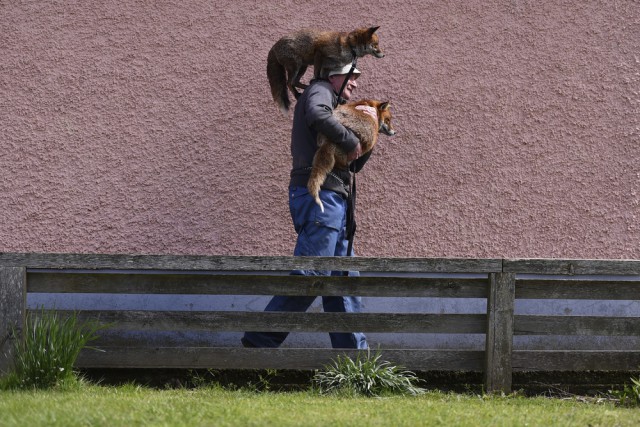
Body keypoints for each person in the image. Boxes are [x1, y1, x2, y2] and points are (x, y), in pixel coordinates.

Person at [241, 63, 375, 349]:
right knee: (312, 272)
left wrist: (370, 128)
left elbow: (355, 163)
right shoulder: (320, 90)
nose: (355, 84)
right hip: (320, 198)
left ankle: (355, 360)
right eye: (351, 77)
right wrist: (351, 137)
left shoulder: (337, 106)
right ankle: (258, 346)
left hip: (335, 198)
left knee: (343, 278)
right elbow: (315, 113)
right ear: (333, 74)